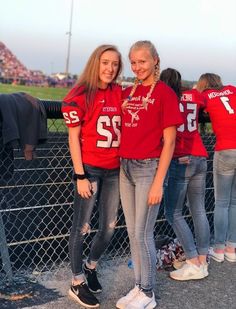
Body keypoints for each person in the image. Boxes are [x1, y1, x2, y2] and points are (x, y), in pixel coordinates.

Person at [116, 41, 182, 309]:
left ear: (156, 60)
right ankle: (138, 285)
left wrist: (158, 182)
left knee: (144, 233)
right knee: (133, 232)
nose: (137, 67)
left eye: (142, 61)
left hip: (149, 168)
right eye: (132, 62)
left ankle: (148, 292)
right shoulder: (129, 92)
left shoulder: (165, 93)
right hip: (126, 167)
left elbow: (170, 142)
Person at [61, 44, 123, 308]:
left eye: (115, 64)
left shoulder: (120, 92)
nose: (110, 68)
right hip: (91, 168)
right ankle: (76, 281)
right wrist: (80, 175)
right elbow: (73, 139)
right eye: (105, 62)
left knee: (108, 227)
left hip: (115, 169)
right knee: (82, 227)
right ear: (96, 63)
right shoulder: (80, 94)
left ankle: (90, 266)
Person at [160, 68, 210, 281]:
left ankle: (192, 261)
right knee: (199, 210)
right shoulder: (194, 94)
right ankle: (203, 258)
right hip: (200, 155)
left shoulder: (166, 99)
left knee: (173, 212)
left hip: (181, 158)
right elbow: (206, 101)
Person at [196, 73, 236, 263]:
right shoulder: (232, 90)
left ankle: (219, 249)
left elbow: (193, 103)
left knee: (221, 202)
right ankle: (231, 248)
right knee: (235, 202)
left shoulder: (205, 95)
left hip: (226, 149)